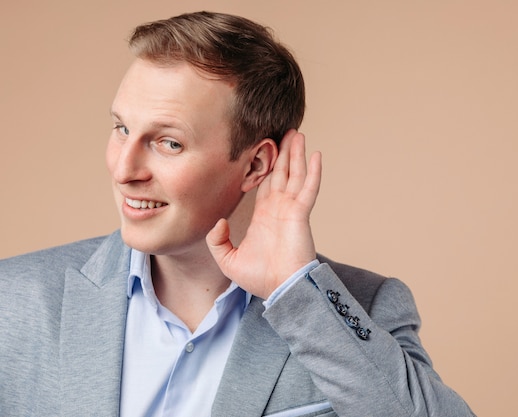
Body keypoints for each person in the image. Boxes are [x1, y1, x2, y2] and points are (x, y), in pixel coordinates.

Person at [0, 11, 475, 417]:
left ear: (255, 164)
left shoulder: (358, 307)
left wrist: (296, 291)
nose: (124, 170)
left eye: (169, 142)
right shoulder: (14, 302)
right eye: (122, 128)